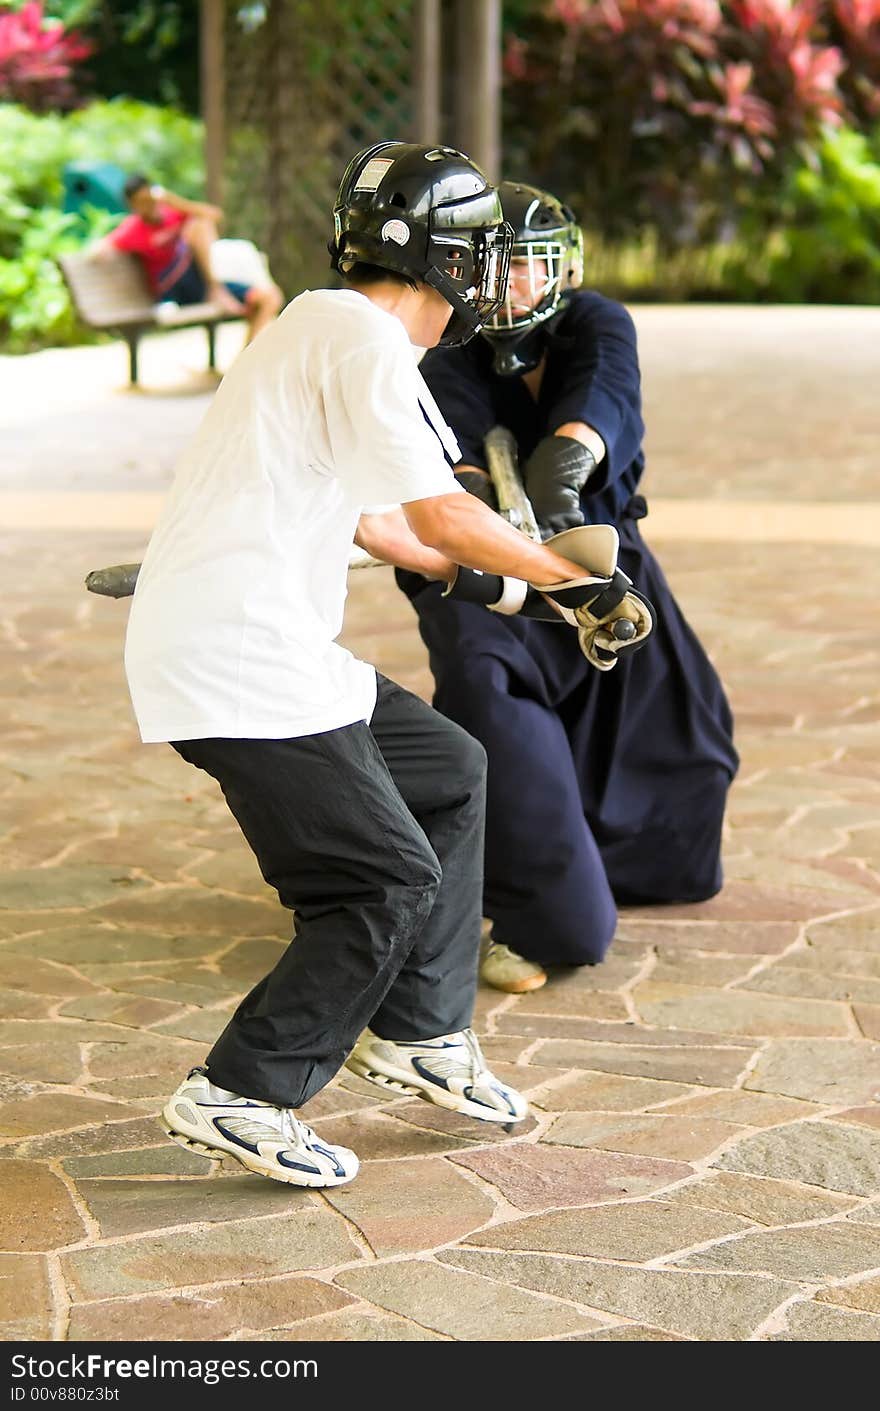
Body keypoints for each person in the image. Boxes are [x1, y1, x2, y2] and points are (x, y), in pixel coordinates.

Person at [123, 143, 649, 1189]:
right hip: (242, 662)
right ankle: (244, 1089)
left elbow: (377, 520)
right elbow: (441, 512)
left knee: (448, 769)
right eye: (486, 255)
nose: (499, 278)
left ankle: (416, 1031)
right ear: (447, 261)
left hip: (268, 640)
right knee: (380, 882)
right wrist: (572, 579)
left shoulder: (325, 325)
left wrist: (512, 591)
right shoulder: (361, 344)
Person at [396, 181, 739, 996]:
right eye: (491, 267)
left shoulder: (596, 320)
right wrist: (498, 518)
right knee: (502, 729)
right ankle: (542, 906)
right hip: (487, 581)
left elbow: (588, 429)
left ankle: (574, 863)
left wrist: (563, 492)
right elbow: (463, 481)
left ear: (564, 267)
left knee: (688, 757)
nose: (508, 286)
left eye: (526, 266)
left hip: (600, 563)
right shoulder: (448, 343)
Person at [90, 173, 283, 344]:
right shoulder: (133, 229)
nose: (148, 206)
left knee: (270, 297)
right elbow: (100, 248)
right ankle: (216, 291)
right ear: (133, 206)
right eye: (141, 202)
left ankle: (243, 362)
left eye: (150, 198)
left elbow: (215, 215)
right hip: (176, 290)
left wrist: (174, 201)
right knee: (198, 226)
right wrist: (106, 251)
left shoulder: (172, 213)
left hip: (202, 279)